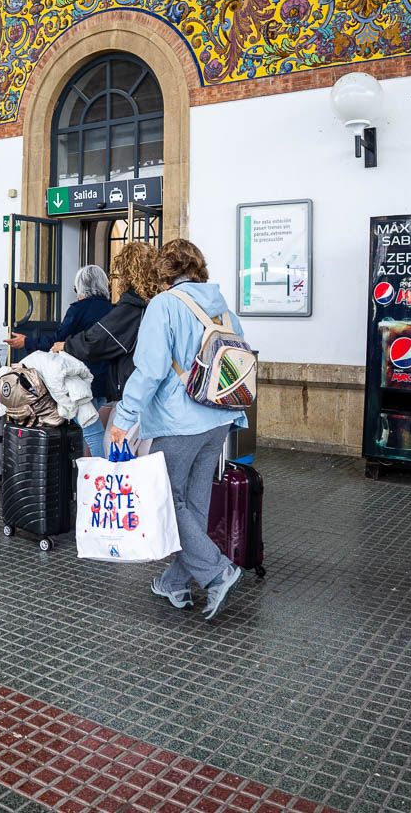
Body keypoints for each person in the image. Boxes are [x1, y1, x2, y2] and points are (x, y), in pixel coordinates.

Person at [108, 239, 248, 621]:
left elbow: (151, 370)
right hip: (218, 420)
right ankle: (174, 582)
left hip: (178, 421)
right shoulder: (223, 308)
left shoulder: (164, 306)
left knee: (168, 501)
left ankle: (218, 572)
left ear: (164, 270)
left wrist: (123, 418)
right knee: (194, 504)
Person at [9, 264, 112, 453]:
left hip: (80, 379)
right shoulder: (112, 310)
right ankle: (85, 474)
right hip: (107, 378)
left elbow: (57, 340)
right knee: (93, 428)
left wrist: (28, 342)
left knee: (91, 431)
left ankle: (100, 476)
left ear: (82, 287)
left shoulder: (78, 309)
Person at [56, 242, 157, 432]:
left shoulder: (130, 307)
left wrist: (65, 345)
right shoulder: (157, 303)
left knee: (113, 447)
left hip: (133, 390)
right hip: (156, 393)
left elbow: (97, 341)